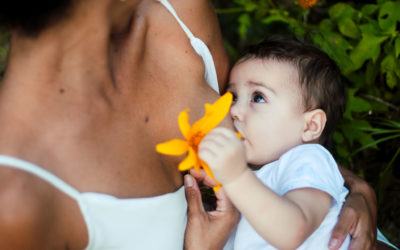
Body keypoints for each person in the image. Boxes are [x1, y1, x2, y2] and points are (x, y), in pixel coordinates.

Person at [0, 0, 376, 249]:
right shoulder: (15, 201)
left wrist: (355, 189)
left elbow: (275, 133)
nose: (237, 108)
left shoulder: (178, 10)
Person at [198, 36, 350, 249]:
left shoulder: (309, 160)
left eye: (258, 97)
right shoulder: (251, 175)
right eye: (232, 96)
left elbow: (294, 230)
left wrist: (235, 177)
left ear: (310, 126)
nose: (233, 111)